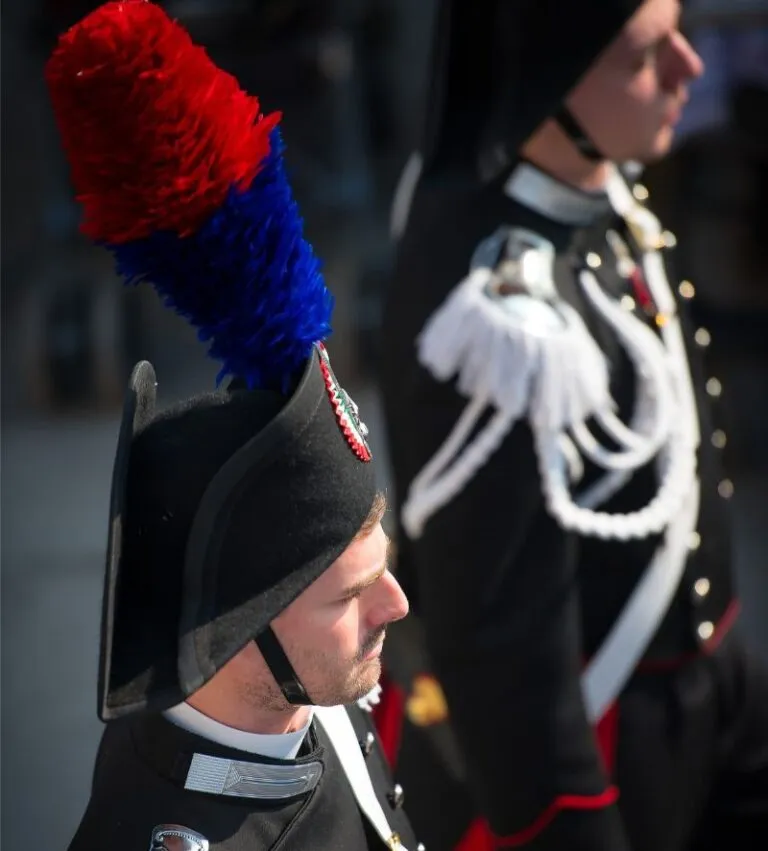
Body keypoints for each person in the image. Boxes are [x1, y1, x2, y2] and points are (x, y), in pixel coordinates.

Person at [376, 1, 768, 849]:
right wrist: (568, 825)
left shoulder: (600, 191)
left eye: (680, 33)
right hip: (598, 752)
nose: (686, 69)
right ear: (541, 83)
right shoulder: (491, 307)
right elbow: (503, 646)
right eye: (642, 55)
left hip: (705, 708)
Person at [45, 2, 423, 849]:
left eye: (378, 569)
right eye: (353, 592)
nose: (398, 603)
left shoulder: (305, 708)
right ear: (238, 620)